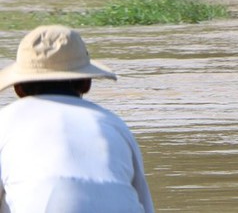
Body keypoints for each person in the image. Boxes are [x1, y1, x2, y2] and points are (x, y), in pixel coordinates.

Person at [0, 25, 155, 213]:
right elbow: (144, 204)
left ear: (18, 89)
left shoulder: (5, 121)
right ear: (86, 83)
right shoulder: (114, 124)